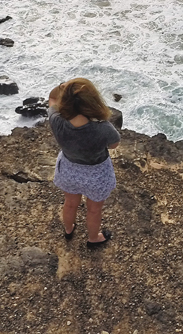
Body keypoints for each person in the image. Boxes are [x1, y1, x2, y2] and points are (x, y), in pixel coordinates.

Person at [48, 78, 120, 248]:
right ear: (93, 102)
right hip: (97, 175)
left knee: (70, 203)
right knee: (94, 210)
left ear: (65, 101)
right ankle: (93, 238)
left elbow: (51, 98)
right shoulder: (103, 127)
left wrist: (62, 87)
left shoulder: (56, 120)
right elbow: (114, 144)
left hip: (68, 170)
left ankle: (68, 229)